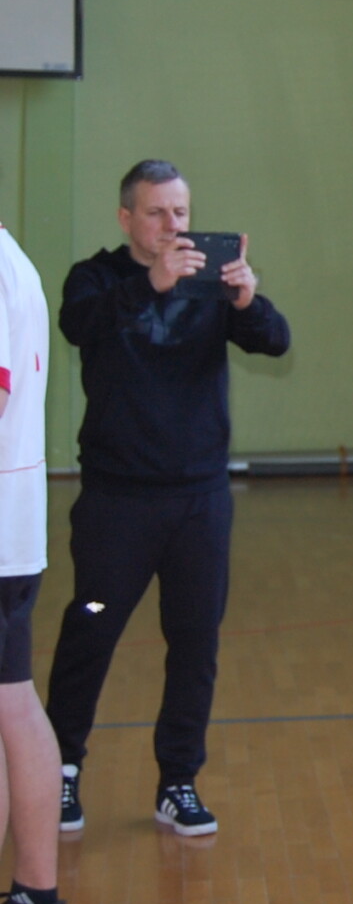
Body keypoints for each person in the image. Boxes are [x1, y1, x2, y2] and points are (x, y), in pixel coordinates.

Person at [44, 159, 291, 837]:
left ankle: (178, 780)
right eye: (156, 212)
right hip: (116, 503)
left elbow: (275, 341)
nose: (171, 225)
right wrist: (151, 284)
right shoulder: (95, 278)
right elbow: (77, 325)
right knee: (91, 627)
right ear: (127, 217)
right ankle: (61, 769)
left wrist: (246, 300)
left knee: (194, 640)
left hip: (198, 503)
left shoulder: (210, 283)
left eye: (180, 212)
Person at [0, 217, 71, 904]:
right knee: (10, 705)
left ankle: (38, 898)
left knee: (12, 707)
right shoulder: (12, 257)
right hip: (11, 529)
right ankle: (33, 900)